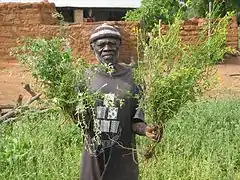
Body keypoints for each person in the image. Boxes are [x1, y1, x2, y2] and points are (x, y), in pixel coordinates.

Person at [79, 24, 162, 180]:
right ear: (92, 48)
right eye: (101, 44)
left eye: (112, 43)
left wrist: (145, 130)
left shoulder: (133, 78)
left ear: (119, 45)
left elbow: (134, 121)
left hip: (123, 159)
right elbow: (79, 119)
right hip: (94, 158)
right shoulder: (84, 78)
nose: (107, 48)